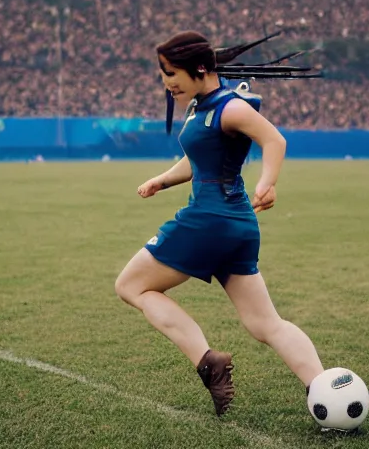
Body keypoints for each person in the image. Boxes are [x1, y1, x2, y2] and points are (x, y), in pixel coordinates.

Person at [117, 30, 324, 418]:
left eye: (170, 72)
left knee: (130, 286)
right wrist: (162, 180)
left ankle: (207, 360)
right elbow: (198, 160)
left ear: (198, 68)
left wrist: (267, 181)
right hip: (237, 226)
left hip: (208, 220)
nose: (166, 83)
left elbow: (274, 140)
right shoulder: (203, 106)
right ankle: (323, 387)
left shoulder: (230, 107)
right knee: (266, 324)